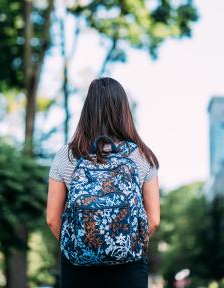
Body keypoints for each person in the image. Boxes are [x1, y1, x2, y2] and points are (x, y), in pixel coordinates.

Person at [46, 77, 160, 288]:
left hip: (78, 267)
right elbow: (153, 220)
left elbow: (53, 219)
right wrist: (126, 245)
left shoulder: (66, 155)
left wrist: (81, 247)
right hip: (129, 268)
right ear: (123, 110)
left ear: (87, 110)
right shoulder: (143, 156)